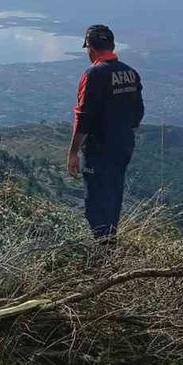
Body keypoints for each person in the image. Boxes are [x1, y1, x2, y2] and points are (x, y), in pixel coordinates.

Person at [67, 24, 145, 242]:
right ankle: (110, 244)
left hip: (98, 150)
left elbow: (83, 118)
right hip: (123, 146)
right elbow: (138, 113)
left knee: (95, 205)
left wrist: (73, 153)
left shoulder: (93, 74)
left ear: (90, 48)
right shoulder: (130, 73)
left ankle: (103, 251)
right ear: (112, 45)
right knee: (113, 197)